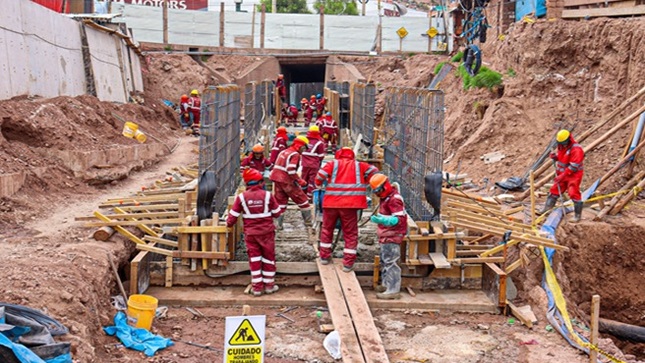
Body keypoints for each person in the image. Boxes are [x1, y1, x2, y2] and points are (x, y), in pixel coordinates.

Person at [315, 147, 378, 272]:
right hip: (351, 205)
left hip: (331, 204)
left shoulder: (332, 164)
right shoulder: (360, 165)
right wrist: (365, 180)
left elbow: (319, 177)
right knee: (350, 233)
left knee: (327, 229)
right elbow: (375, 171)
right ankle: (348, 264)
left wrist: (323, 182)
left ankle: (324, 257)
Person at [226, 169, 283, 296]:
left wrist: (228, 225)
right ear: (260, 181)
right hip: (267, 233)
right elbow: (277, 213)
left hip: (251, 234)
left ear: (246, 183)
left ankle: (257, 288)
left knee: (255, 259)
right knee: (268, 258)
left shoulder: (241, 197)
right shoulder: (268, 195)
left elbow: (232, 217)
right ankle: (269, 286)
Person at [369, 174, 406, 300]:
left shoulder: (394, 199)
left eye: (379, 191)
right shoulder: (385, 198)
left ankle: (393, 289)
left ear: (385, 186)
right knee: (386, 261)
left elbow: (399, 219)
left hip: (393, 235)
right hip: (386, 235)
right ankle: (386, 285)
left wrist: (385, 220)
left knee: (391, 262)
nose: (378, 194)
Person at [538, 129, 585, 222]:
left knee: (573, 193)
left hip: (573, 175)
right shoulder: (562, 147)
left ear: (568, 139)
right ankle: (546, 209)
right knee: (554, 190)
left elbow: (573, 166)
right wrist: (555, 157)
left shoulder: (576, 149)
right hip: (563, 175)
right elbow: (563, 159)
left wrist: (562, 176)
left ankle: (577, 216)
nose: (562, 144)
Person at [269, 136, 312, 229]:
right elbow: (291, 170)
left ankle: (278, 224)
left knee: (280, 202)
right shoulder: (295, 155)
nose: (303, 150)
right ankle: (309, 223)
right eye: (303, 148)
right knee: (303, 200)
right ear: (299, 146)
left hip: (277, 179)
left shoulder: (283, 152)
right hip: (287, 180)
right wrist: (299, 180)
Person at [301, 126, 326, 199]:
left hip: (304, 164)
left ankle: (303, 196)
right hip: (314, 165)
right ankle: (310, 196)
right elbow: (321, 156)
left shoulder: (305, 141)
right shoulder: (319, 143)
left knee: (304, 180)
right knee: (312, 181)